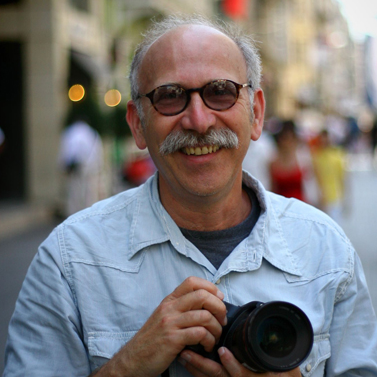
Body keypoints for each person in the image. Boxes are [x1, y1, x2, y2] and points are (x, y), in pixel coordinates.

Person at [3, 14, 377, 377]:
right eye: (170, 96)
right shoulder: (70, 262)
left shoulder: (328, 253)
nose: (198, 121)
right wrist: (129, 365)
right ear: (137, 124)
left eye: (220, 92)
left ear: (257, 113)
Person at [58, 117, 104, 216]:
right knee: (90, 194)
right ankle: (89, 215)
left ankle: (74, 216)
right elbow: (98, 151)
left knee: (75, 194)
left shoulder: (71, 132)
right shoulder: (92, 133)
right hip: (91, 167)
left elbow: (67, 151)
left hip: (76, 168)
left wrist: (63, 166)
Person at [269, 120, 319, 205]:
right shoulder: (272, 161)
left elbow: (311, 183)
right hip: (280, 206)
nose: (287, 142)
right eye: (284, 139)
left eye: (290, 138)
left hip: (301, 204)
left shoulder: (303, 159)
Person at [312, 129, 347, 224]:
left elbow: (342, 178)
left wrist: (345, 198)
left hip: (335, 198)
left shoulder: (337, 156)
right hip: (321, 198)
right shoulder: (316, 157)